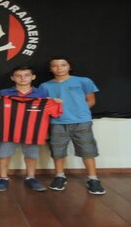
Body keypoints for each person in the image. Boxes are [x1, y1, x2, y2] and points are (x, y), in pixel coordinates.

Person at [40, 56, 106, 195]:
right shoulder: (45, 86)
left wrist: (79, 113)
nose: (59, 68)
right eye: (55, 65)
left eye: (63, 65)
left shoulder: (84, 81)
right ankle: (60, 176)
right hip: (57, 123)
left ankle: (93, 179)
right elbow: (44, 106)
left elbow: (91, 101)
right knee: (58, 152)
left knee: (88, 151)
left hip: (81, 122)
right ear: (50, 68)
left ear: (69, 66)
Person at [0, 66, 62, 192]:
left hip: (32, 131)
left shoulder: (42, 94)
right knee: (4, 154)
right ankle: (3, 178)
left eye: (26, 75)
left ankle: (31, 177)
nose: (23, 78)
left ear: (33, 77)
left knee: (31, 155)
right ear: (13, 78)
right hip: (8, 130)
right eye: (18, 75)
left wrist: (56, 102)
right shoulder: (4, 94)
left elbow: (55, 113)